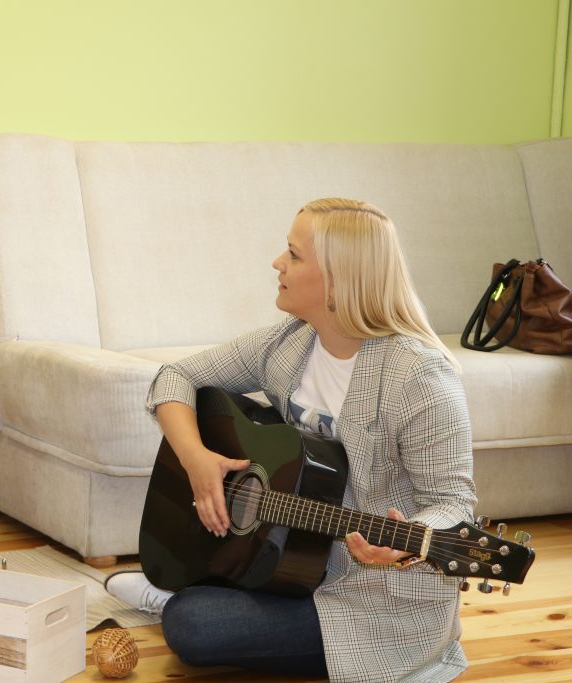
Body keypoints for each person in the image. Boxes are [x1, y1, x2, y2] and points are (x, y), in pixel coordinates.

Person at [106, 198, 476, 682]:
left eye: (294, 255)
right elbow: (173, 378)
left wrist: (407, 542)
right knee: (197, 616)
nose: (277, 263)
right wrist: (196, 459)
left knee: (192, 624)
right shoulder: (289, 343)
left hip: (377, 603)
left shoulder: (419, 378)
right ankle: (199, 585)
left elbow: (454, 503)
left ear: (339, 279)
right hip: (293, 561)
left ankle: (191, 591)